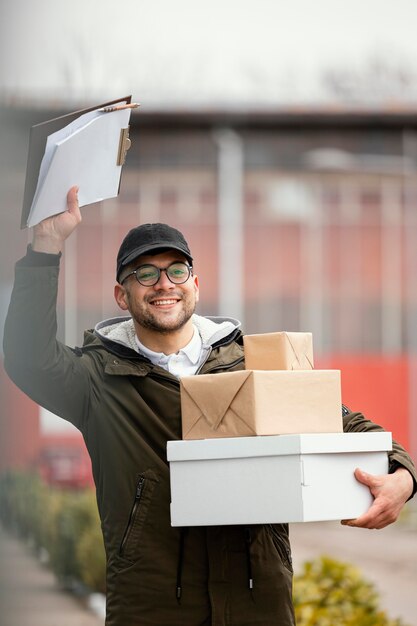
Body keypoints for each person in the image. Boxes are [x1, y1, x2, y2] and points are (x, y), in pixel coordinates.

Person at [3, 186, 416, 626]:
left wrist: (403, 476)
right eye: (145, 273)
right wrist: (45, 246)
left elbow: (342, 422)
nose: (164, 284)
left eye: (176, 271)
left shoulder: (250, 363)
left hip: (258, 605)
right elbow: (29, 359)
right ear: (122, 296)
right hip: (153, 610)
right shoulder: (97, 381)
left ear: (195, 286)